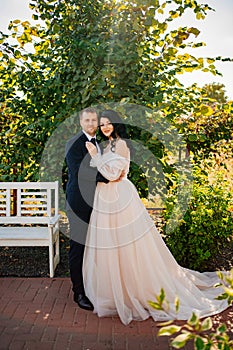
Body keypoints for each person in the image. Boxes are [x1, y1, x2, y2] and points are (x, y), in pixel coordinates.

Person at [83, 109, 229, 325]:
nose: (104, 127)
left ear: (116, 124)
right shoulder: (105, 146)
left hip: (120, 197)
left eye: (108, 123)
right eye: (102, 124)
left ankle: (136, 289)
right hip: (105, 198)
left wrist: (96, 158)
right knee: (111, 245)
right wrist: (100, 162)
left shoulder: (121, 144)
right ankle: (117, 291)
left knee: (129, 245)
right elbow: (103, 172)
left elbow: (113, 175)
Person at [65, 107, 109, 311]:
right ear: (81, 122)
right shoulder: (73, 144)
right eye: (87, 120)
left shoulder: (98, 144)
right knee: (78, 246)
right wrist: (108, 177)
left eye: (94, 120)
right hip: (79, 203)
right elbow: (80, 172)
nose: (91, 124)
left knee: (95, 245)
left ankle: (93, 285)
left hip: (98, 202)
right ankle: (78, 292)